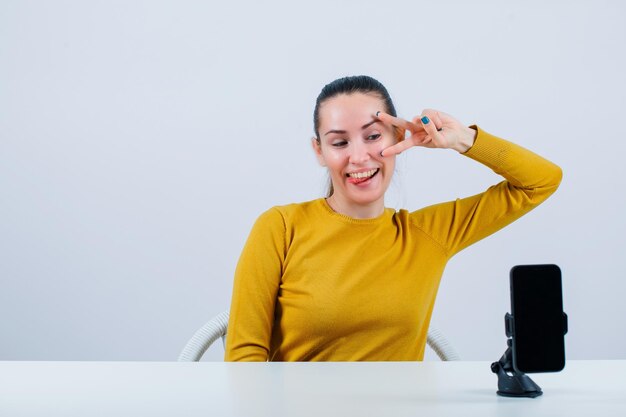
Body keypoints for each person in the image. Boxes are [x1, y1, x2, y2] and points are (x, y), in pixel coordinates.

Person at [224, 75, 562, 361]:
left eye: (373, 136)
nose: (359, 156)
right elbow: (244, 358)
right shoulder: (280, 227)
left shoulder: (428, 234)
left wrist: (463, 139)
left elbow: (540, 181)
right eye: (339, 142)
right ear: (320, 152)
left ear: (399, 137)